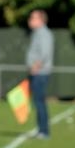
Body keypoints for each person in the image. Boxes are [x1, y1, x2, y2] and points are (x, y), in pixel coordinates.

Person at [26, 9, 54, 139]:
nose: (30, 20)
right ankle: (40, 129)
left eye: (33, 18)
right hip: (37, 72)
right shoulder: (37, 33)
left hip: (40, 73)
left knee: (39, 101)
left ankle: (44, 131)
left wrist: (35, 66)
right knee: (37, 101)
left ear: (41, 20)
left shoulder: (44, 34)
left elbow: (44, 53)